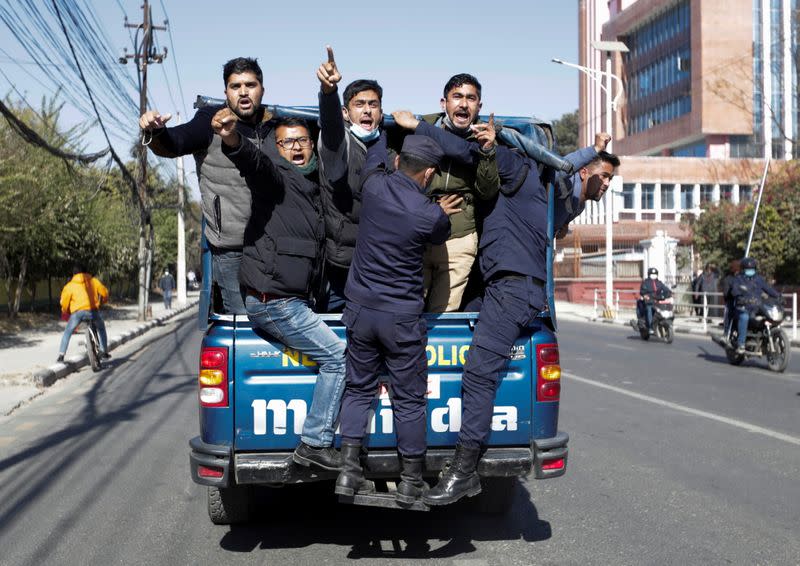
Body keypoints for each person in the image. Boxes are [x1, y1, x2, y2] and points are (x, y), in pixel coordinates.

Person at [404, 112, 613, 505]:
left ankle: (463, 471)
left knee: (479, 373)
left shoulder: (514, 166)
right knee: (468, 323)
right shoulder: (541, 186)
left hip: (513, 287)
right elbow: (570, 161)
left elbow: (461, 149)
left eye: (496, 146)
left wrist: (419, 127)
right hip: (512, 286)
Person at [212, 108, 345, 471]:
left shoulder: (317, 187)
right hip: (274, 301)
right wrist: (231, 138)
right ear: (277, 148)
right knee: (338, 357)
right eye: (288, 142)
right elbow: (253, 163)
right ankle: (315, 442)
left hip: (294, 300)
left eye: (303, 141)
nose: (297, 148)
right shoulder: (275, 178)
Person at [334, 133, 462, 504]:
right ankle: (409, 482)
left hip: (361, 312)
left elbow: (373, 149)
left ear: (397, 163)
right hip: (401, 320)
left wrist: (383, 132)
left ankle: (347, 471)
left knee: (358, 389)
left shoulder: (374, 188)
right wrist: (439, 209)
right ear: (429, 174)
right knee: (408, 401)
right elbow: (441, 231)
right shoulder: (429, 215)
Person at [140, 57, 274, 315]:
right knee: (243, 326)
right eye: (236, 86)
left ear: (262, 89)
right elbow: (176, 142)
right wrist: (157, 132)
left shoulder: (274, 124)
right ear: (226, 93)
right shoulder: (210, 121)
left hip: (275, 247)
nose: (244, 92)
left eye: (250, 85)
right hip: (232, 249)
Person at [315, 46, 396, 312]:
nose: (367, 111)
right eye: (359, 104)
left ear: (381, 113)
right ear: (345, 112)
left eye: (373, 105)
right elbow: (331, 132)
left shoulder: (388, 149)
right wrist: (328, 93)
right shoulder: (341, 146)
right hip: (344, 267)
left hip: (382, 265)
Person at [418, 73, 500, 312]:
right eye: (457, 97)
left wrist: (486, 152)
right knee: (407, 309)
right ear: (444, 103)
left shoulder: (486, 136)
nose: (464, 104)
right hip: (418, 235)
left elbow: (487, 191)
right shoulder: (423, 126)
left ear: (479, 106)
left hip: (459, 238)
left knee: (443, 314)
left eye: (471, 98)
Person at [57, 264, 110, 363]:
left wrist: (65, 310)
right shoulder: (93, 281)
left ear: (74, 274)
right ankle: (103, 351)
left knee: (68, 331)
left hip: (77, 313)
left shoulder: (70, 285)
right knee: (101, 328)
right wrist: (102, 302)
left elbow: (64, 302)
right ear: (86, 272)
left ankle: (61, 355)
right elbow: (105, 293)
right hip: (93, 311)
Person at [730, 257, 781, 354]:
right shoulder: (738, 279)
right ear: (743, 269)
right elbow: (734, 290)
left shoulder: (758, 279)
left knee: (768, 315)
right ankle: (741, 344)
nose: (750, 271)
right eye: (748, 269)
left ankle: (766, 340)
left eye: (752, 269)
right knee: (744, 317)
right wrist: (740, 298)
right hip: (743, 307)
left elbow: (768, 288)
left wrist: (778, 296)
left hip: (756, 307)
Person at [638, 267, 672, 333]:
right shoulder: (645, 282)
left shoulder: (659, 283)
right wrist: (645, 296)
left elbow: (665, 289)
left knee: (667, 307)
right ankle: (650, 326)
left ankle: (667, 321)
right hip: (649, 302)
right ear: (649, 274)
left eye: (655, 274)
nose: (653, 276)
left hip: (658, 301)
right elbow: (642, 291)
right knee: (649, 309)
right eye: (652, 274)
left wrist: (670, 293)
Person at [720, 259, 740, 343]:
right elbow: (726, 294)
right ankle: (726, 333)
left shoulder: (742, 278)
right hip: (732, 302)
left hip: (742, 303)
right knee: (728, 313)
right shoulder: (728, 279)